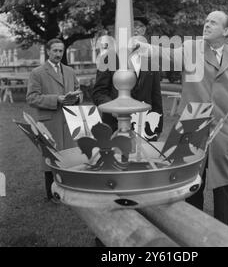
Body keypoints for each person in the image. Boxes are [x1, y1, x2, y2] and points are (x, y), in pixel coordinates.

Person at [137, 10, 228, 226]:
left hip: (224, 132)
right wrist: (145, 47)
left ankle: (224, 235)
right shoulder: (191, 48)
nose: (206, 25)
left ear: (226, 31)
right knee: (189, 183)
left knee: (223, 187)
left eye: (213, 23)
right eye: (206, 21)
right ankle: (190, 231)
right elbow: (167, 54)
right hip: (191, 128)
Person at [26, 38, 83, 203]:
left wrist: (76, 99)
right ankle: (52, 194)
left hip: (69, 119)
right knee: (51, 156)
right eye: (55, 51)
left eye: (61, 51)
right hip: (49, 121)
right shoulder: (37, 72)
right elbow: (31, 98)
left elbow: (79, 91)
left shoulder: (69, 71)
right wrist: (56, 99)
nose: (58, 54)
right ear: (48, 51)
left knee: (70, 155)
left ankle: (70, 191)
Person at [92, 17, 163, 140]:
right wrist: (114, 108)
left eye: (139, 26)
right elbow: (99, 92)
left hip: (144, 127)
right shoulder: (109, 58)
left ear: (144, 31)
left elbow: (156, 95)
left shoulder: (152, 60)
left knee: (145, 158)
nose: (135, 30)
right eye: (132, 26)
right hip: (115, 126)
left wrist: (158, 126)